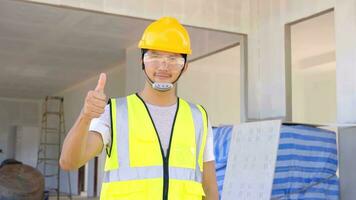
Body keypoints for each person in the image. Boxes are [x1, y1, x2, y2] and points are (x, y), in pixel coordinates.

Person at [60, 16, 218, 200]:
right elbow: (68, 162)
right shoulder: (114, 112)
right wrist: (86, 116)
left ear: (185, 67)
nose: (163, 65)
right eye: (155, 56)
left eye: (173, 58)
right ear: (142, 61)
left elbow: (209, 185)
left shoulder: (198, 117)